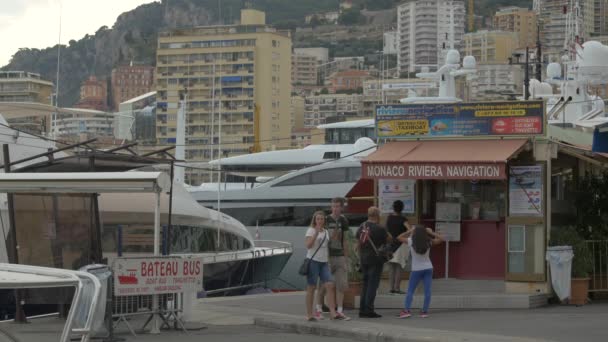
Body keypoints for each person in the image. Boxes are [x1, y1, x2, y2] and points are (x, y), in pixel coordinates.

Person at [304, 211, 346, 321]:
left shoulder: (326, 232)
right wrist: (315, 234)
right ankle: (309, 314)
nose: (320, 221)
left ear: (324, 220)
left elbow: (327, 246)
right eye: (318, 219)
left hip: (324, 263)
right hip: (313, 261)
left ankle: (333, 313)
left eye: (322, 219)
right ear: (314, 220)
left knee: (330, 285)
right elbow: (308, 245)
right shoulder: (311, 230)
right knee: (311, 288)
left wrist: (335, 237)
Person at [315, 198, 351, 320]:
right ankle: (319, 309)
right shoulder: (326, 220)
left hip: (340, 256)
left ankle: (339, 310)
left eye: (337, 206)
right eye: (333, 206)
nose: (335, 209)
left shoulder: (343, 220)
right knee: (324, 285)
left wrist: (346, 258)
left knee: (341, 284)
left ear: (341, 207)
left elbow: (345, 239)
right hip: (328, 256)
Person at [397, 225, 444, 318]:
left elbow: (399, 237)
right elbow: (441, 238)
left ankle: (406, 310)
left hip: (416, 269)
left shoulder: (411, 241)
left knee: (410, 290)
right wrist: (430, 232)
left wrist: (410, 230)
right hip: (428, 268)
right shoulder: (428, 241)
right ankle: (424, 312)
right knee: (427, 291)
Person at [356, 206, 391, 318]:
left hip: (363, 259)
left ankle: (362, 310)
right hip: (375, 260)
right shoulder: (380, 228)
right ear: (377, 215)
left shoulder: (362, 226)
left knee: (365, 285)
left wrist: (360, 257)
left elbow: (358, 243)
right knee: (372, 285)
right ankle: (369, 310)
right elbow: (389, 239)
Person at [385, 200, 411, 294]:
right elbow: (410, 230)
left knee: (391, 267)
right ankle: (397, 288)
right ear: (402, 208)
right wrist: (404, 236)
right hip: (400, 245)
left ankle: (391, 288)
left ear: (393, 207)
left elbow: (386, 230)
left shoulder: (389, 218)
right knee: (399, 267)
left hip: (390, 245)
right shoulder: (403, 219)